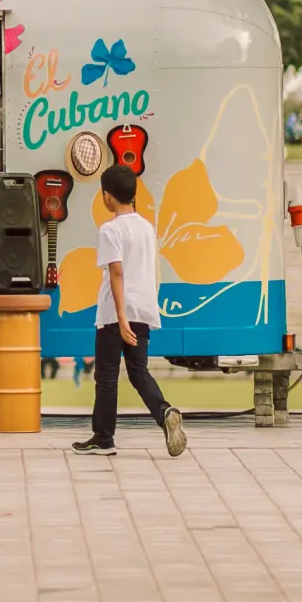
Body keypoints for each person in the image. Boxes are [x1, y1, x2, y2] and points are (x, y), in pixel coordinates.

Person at [72, 165, 187, 458]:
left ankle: (103, 438)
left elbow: (117, 273)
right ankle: (164, 413)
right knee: (138, 371)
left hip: (115, 313)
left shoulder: (110, 229)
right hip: (144, 309)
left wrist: (120, 318)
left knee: (107, 376)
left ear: (107, 197)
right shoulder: (146, 227)